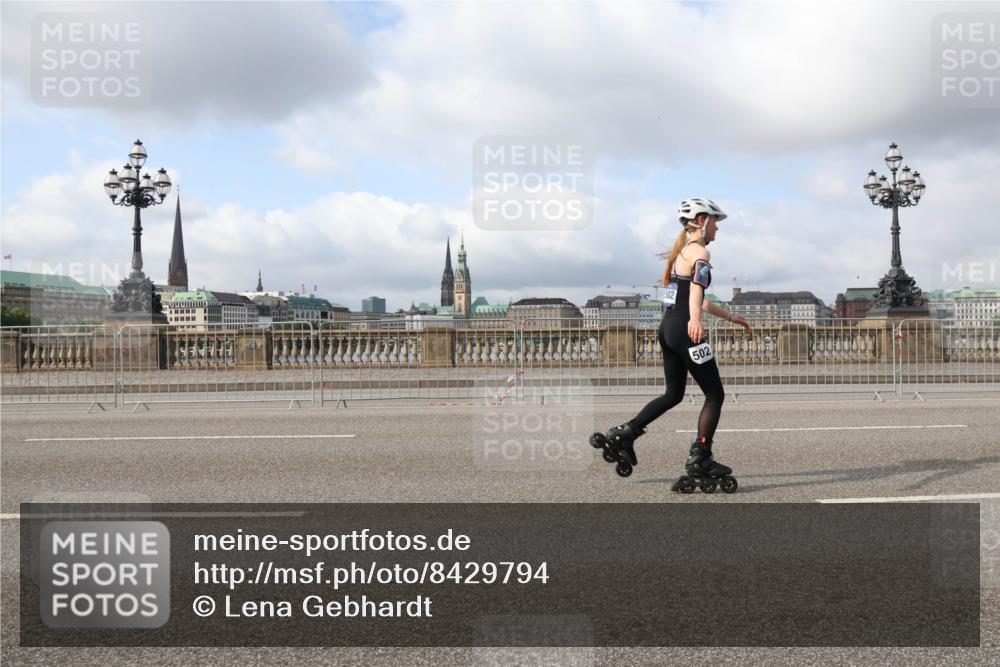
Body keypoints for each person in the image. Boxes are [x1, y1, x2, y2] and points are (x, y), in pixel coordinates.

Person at [592, 197, 752, 489]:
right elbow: (696, 295)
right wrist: (694, 322)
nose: (718, 228)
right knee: (715, 394)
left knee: (673, 394)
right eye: (715, 221)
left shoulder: (679, 255)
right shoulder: (700, 251)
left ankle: (626, 433)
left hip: (668, 329)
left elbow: (691, 299)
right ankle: (701, 457)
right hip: (684, 329)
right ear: (701, 221)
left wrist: (729, 316)